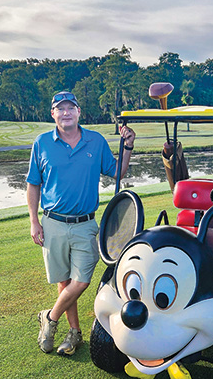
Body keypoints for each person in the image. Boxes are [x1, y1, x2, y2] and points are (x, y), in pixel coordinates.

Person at [27, 91, 135, 356]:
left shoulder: (95, 142)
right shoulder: (42, 143)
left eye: (70, 108)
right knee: (64, 282)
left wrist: (128, 145)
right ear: (53, 114)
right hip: (52, 223)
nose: (65, 113)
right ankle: (74, 334)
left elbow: (118, 172)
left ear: (78, 113)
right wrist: (33, 222)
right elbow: (33, 185)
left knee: (81, 280)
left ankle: (49, 318)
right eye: (60, 109)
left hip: (86, 223)